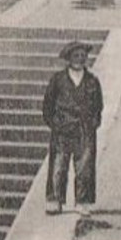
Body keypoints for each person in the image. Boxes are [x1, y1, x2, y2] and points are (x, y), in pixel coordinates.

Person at [42, 40, 104, 215]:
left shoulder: (92, 80)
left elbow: (98, 105)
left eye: (83, 56)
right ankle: (55, 200)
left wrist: (93, 123)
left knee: (85, 166)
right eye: (76, 56)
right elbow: (48, 105)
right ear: (68, 58)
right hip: (62, 130)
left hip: (85, 130)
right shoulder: (58, 79)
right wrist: (55, 124)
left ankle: (82, 201)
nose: (80, 59)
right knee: (58, 166)